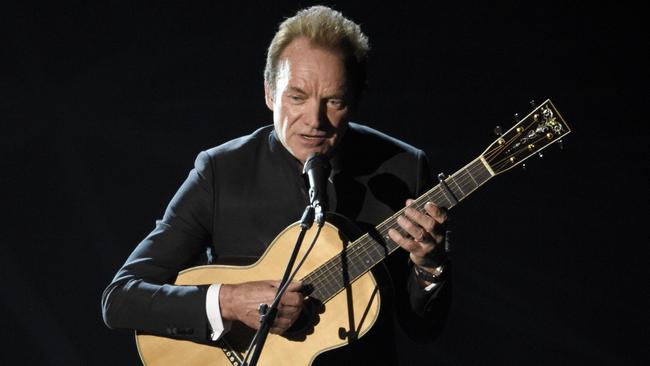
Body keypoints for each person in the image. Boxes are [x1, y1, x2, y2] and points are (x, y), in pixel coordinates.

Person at [102, 5, 449, 365]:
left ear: (356, 99)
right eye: (296, 97)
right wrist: (229, 301)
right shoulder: (221, 171)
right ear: (270, 93)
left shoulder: (405, 166)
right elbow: (121, 299)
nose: (315, 120)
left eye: (334, 101)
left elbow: (423, 330)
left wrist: (430, 266)